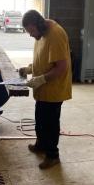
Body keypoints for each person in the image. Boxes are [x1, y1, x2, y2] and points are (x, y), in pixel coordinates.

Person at [19, 10, 72, 170]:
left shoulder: (55, 34)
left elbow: (62, 68)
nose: (31, 35)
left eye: (31, 31)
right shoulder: (41, 33)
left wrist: (40, 79)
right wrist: (29, 69)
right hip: (43, 90)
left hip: (54, 90)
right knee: (40, 119)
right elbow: (41, 58)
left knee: (50, 124)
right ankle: (41, 144)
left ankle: (52, 155)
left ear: (39, 25)